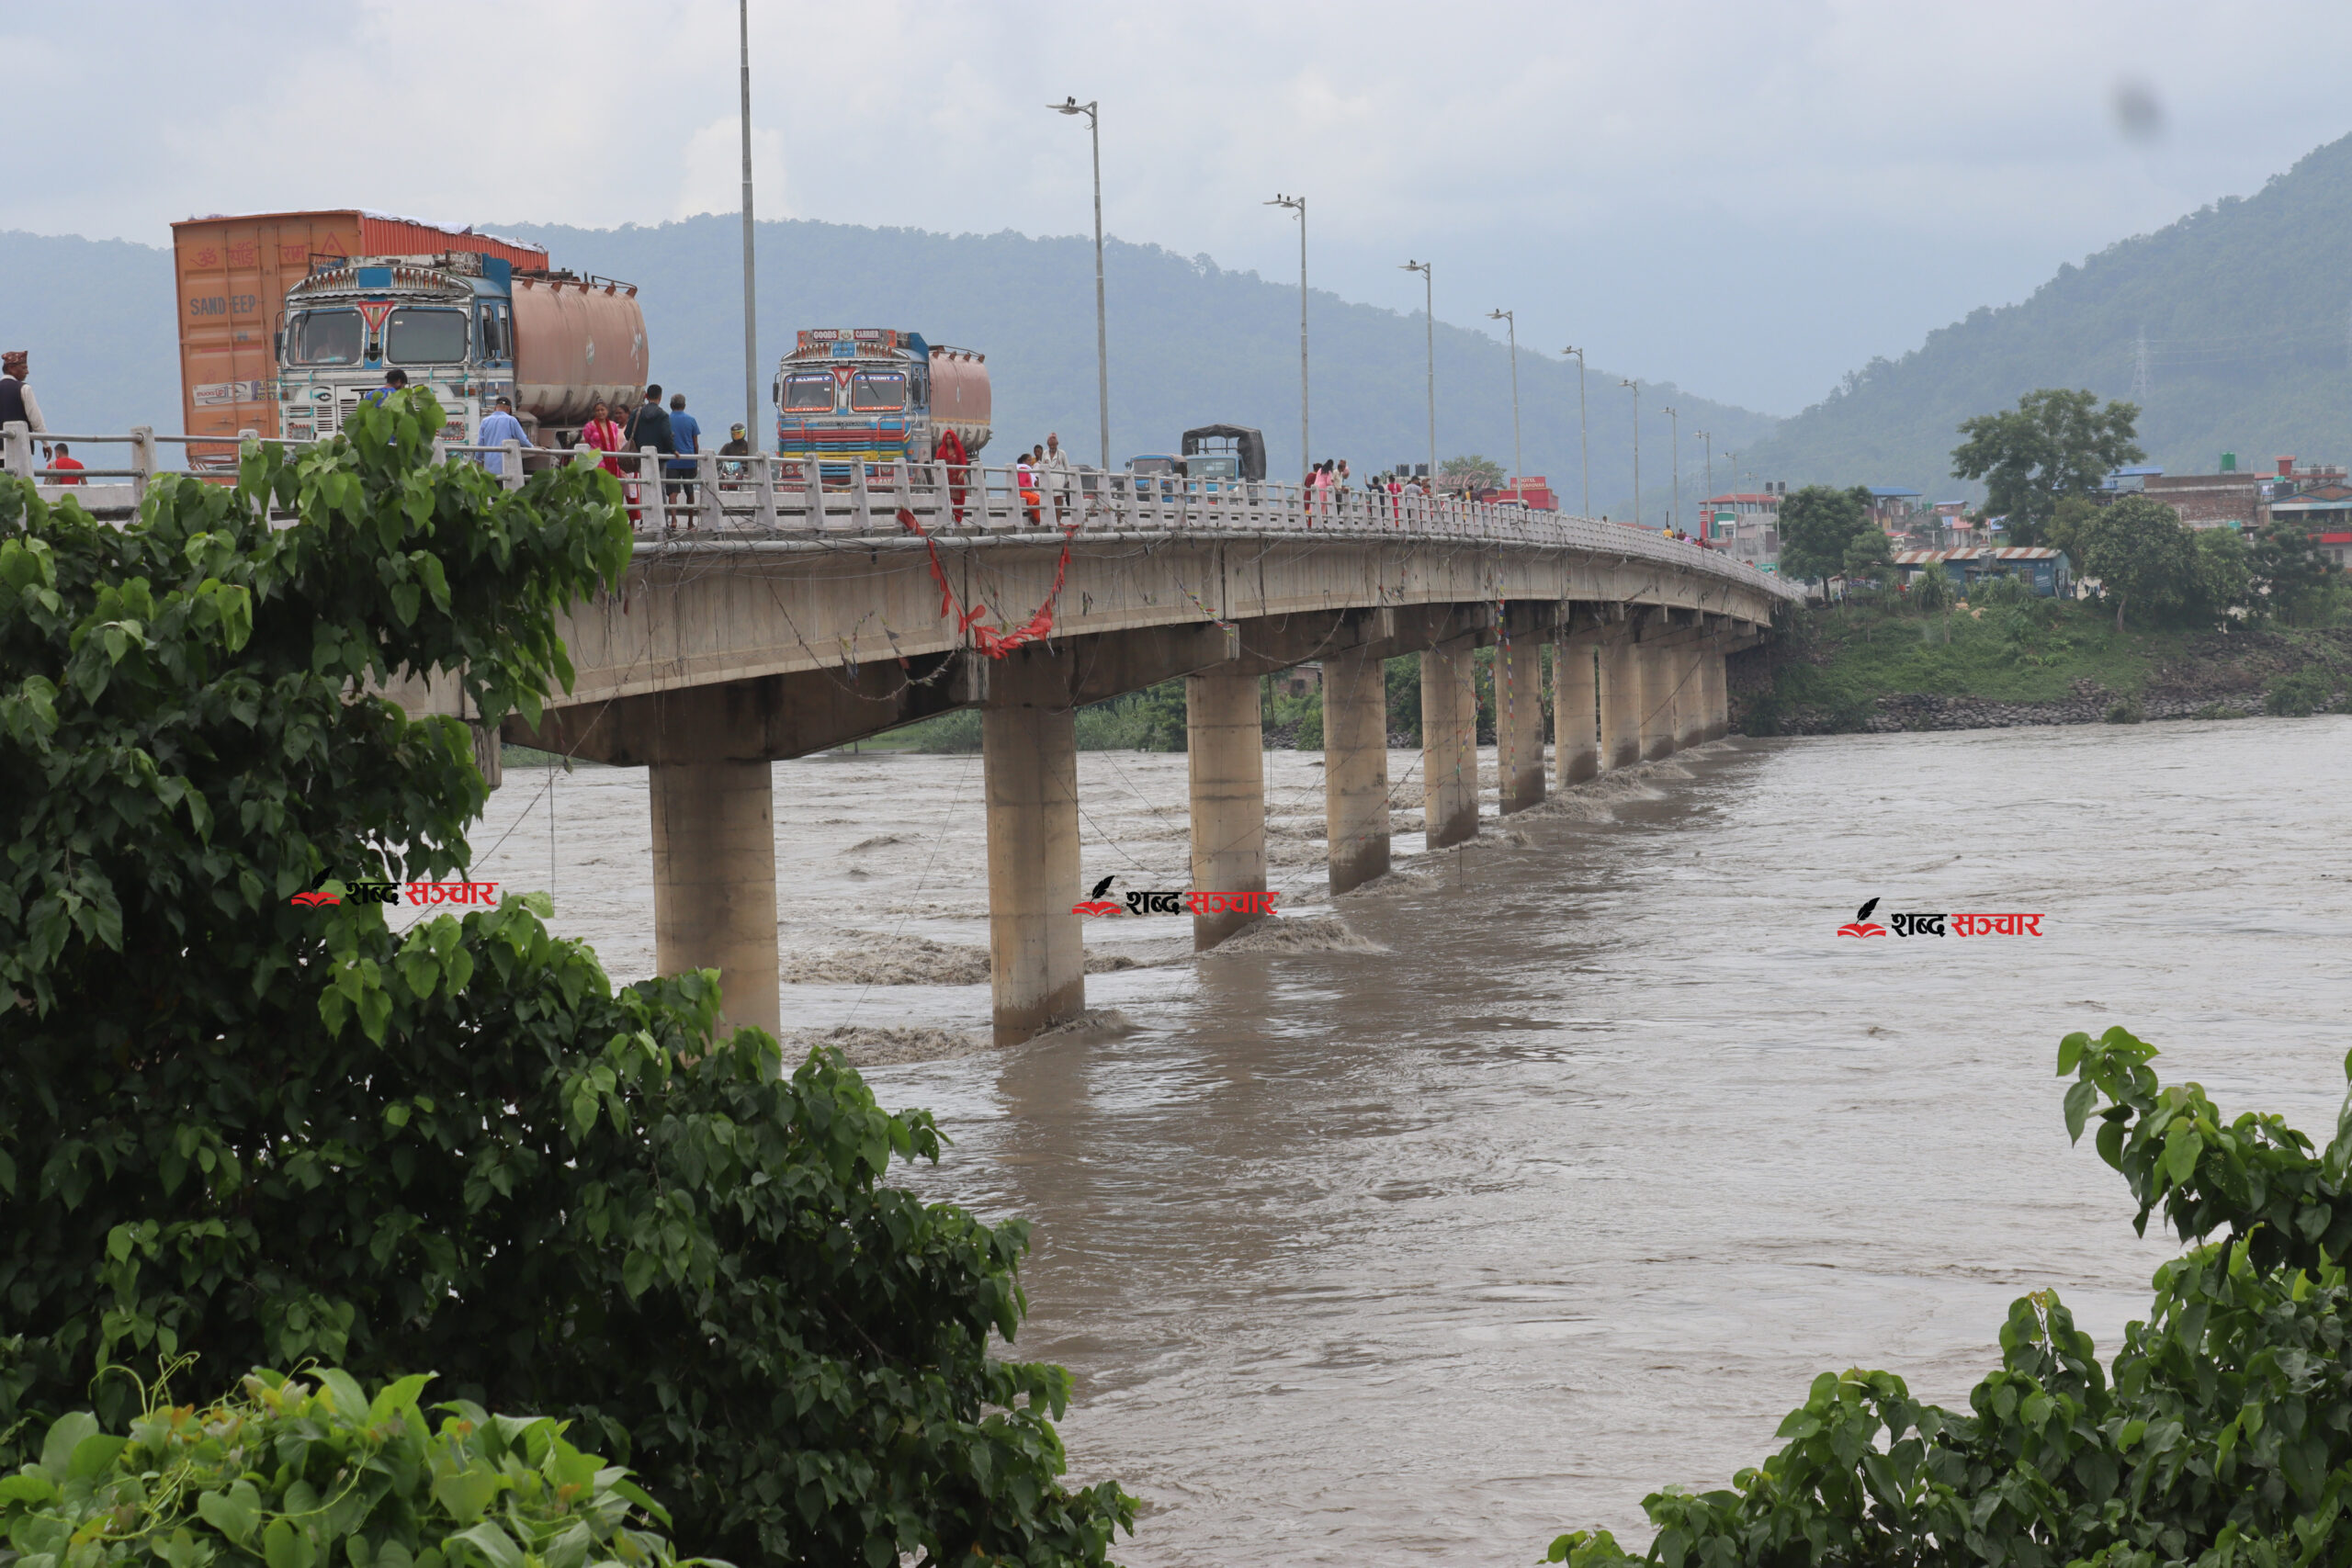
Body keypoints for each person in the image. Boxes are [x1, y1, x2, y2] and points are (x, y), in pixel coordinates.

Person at [622, 385, 673, 527]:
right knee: (660, 488)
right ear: (660, 397)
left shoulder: (637, 413)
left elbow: (627, 434)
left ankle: (646, 519)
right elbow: (666, 435)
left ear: (646, 396)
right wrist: (672, 449)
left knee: (645, 486)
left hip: (642, 458)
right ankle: (663, 521)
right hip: (660, 457)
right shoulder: (663, 415)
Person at [0, 353, 47, 457]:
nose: (27, 372)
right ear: (11, 368)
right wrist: (45, 443)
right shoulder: (24, 389)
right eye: (24, 368)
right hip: (18, 452)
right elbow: (36, 420)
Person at [664, 390, 700, 520]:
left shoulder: (666, 420)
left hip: (671, 461)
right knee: (689, 492)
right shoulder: (691, 420)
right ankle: (690, 523)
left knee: (672, 492)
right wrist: (696, 461)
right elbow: (695, 444)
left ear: (671, 405)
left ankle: (673, 520)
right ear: (684, 405)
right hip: (688, 460)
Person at [477, 396, 529, 477]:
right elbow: (522, 440)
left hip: (489, 467)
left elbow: (480, 444)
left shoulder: (485, 421)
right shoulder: (511, 420)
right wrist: (533, 447)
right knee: (506, 484)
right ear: (508, 409)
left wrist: (478, 461)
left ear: (495, 408)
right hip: (506, 466)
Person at [1042, 430, 1074, 521]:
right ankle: (1051, 520)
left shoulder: (1062, 453)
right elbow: (1042, 467)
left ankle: (1058, 520)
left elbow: (1067, 467)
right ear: (1048, 444)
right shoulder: (1045, 453)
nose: (1052, 446)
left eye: (1054, 444)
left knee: (1058, 499)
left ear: (1057, 444)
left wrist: (1068, 481)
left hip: (1059, 479)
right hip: (1049, 479)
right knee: (1050, 500)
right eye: (1050, 444)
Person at [1017, 446, 1043, 525]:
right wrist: (1030, 489)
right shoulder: (1022, 469)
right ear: (1024, 461)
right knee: (1036, 498)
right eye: (1029, 460)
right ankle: (1036, 518)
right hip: (1022, 492)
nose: (1031, 462)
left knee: (1039, 498)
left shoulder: (1026, 469)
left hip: (1027, 491)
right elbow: (1022, 483)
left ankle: (1037, 517)